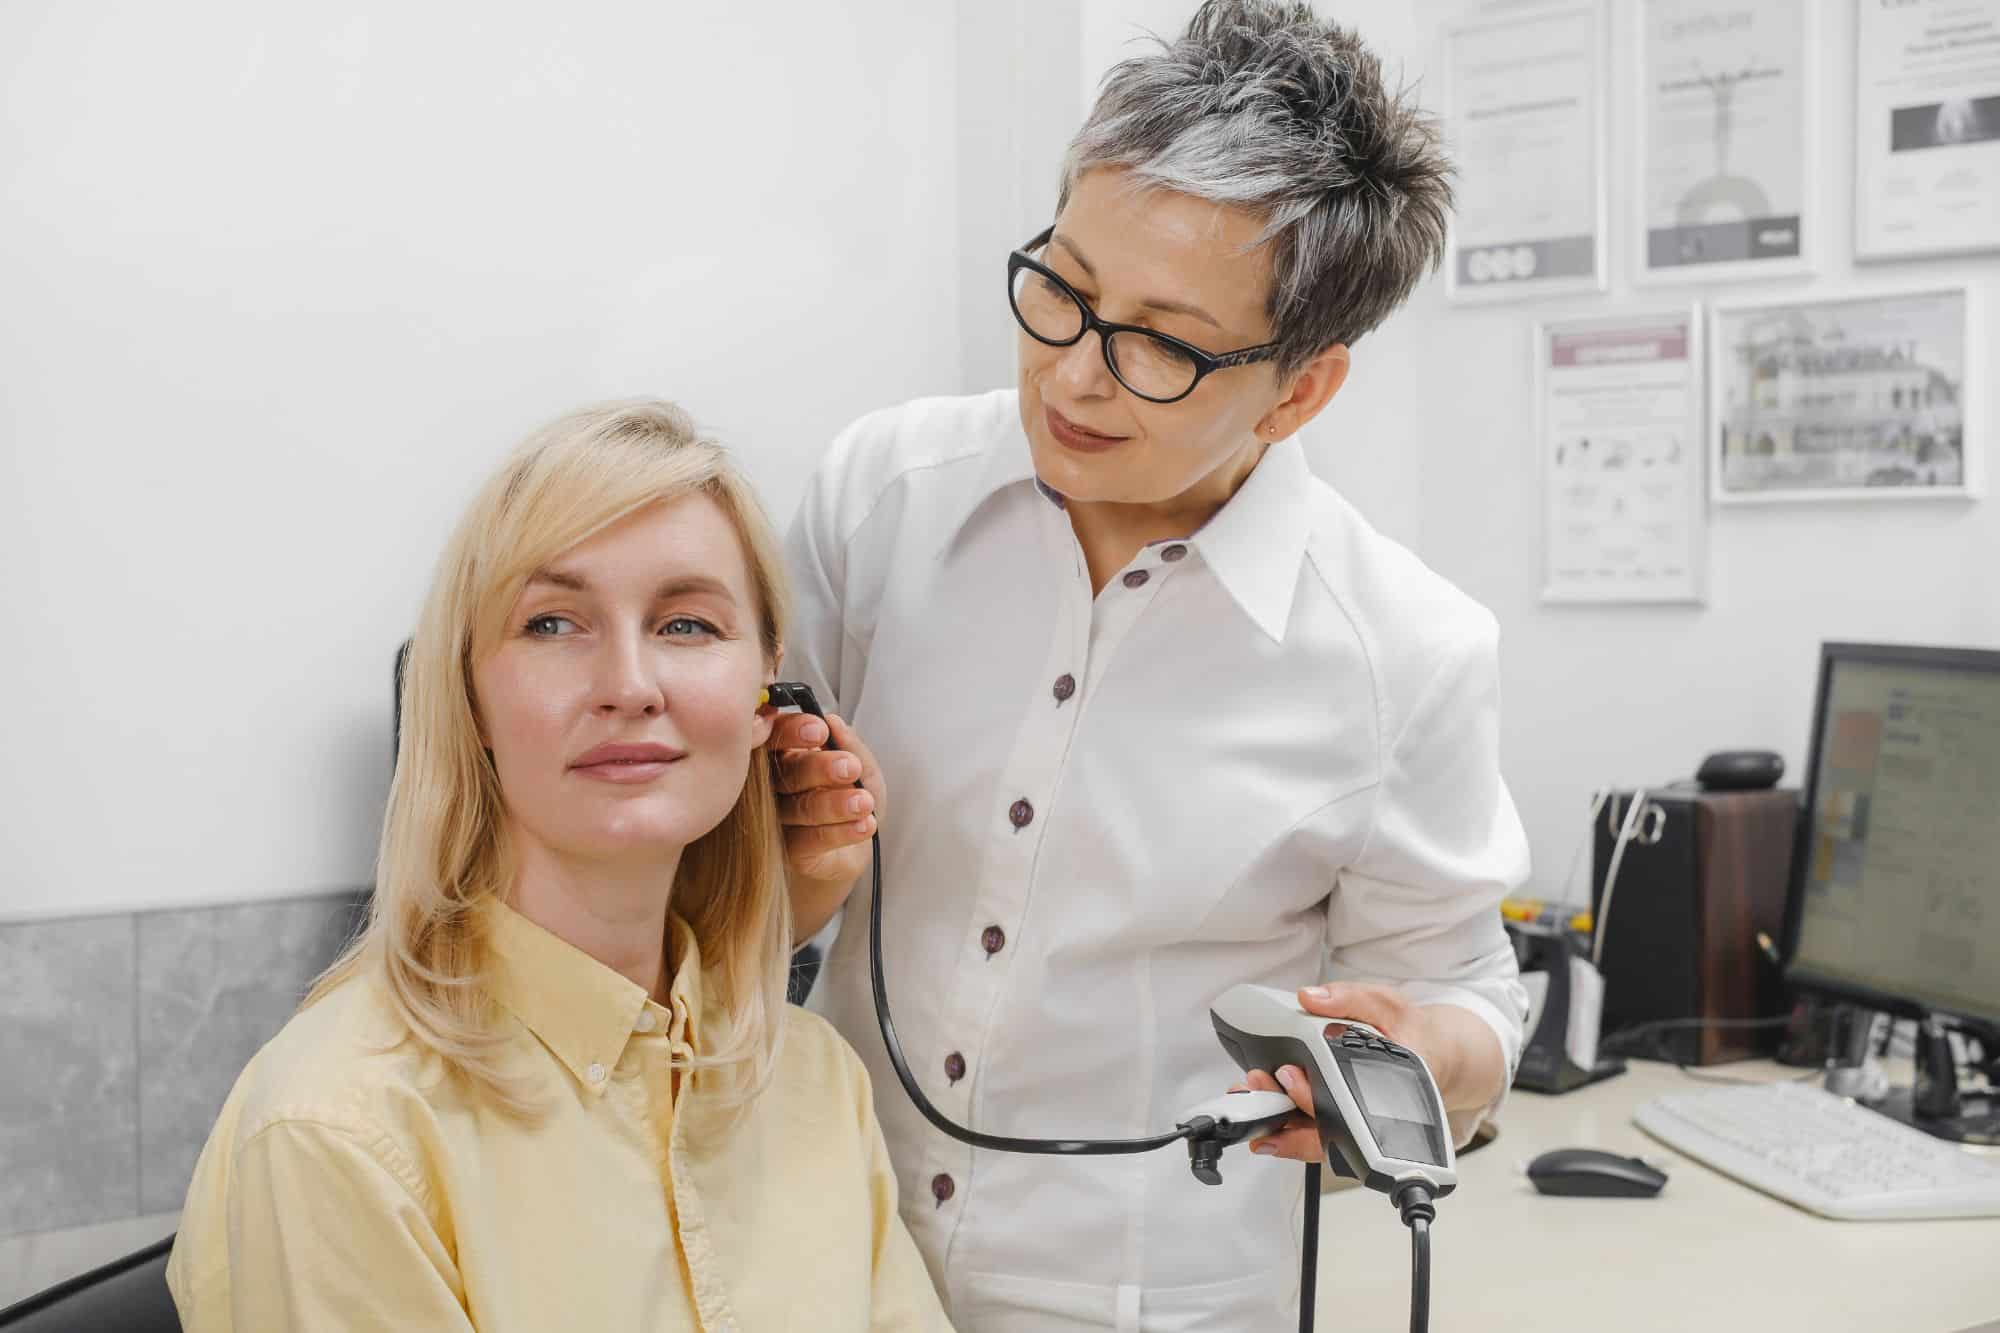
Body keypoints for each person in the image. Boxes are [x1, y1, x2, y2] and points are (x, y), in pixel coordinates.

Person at [768, 3, 1530, 1328]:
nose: (1073, 373)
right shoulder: (878, 499)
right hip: (837, 1258)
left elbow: (1466, 1002)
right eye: (1061, 289)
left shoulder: (1407, 653)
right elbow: (729, 877)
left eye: (1162, 345)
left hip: (1153, 1296)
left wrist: (1428, 1055)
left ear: (1298, 392)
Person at [166, 401, 951, 1331]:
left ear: (762, 698)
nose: (628, 684)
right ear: (468, 695)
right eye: (551, 624)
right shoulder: (338, 1128)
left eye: (688, 625)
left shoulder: (816, 1078)